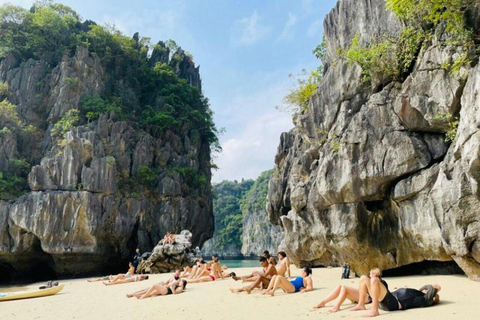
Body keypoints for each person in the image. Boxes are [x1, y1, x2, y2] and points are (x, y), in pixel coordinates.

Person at [351, 268, 441, 317]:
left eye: (427, 291)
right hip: (386, 300)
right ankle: (361, 304)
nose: (425, 290)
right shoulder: (417, 292)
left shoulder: (424, 299)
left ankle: (374, 310)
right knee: (363, 278)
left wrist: (433, 291)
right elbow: (424, 287)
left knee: (374, 280)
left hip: (393, 303)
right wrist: (424, 290)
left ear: (430, 294)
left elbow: (435, 287)